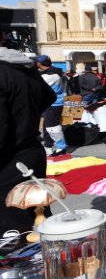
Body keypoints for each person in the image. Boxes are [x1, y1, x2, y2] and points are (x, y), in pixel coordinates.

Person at [0, 47, 56, 237]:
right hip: (31, 148)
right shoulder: (25, 68)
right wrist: (27, 116)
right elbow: (49, 96)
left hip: (8, 156)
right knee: (38, 212)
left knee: (14, 226)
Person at [36, 55, 68, 157]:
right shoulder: (56, 72)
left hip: (54, 103)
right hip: (52, 103)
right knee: (46, 126)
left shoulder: (50, 75)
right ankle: (48, 147)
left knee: (52, 127)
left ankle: (61, 147)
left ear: (39, 64)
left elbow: (38, 89)